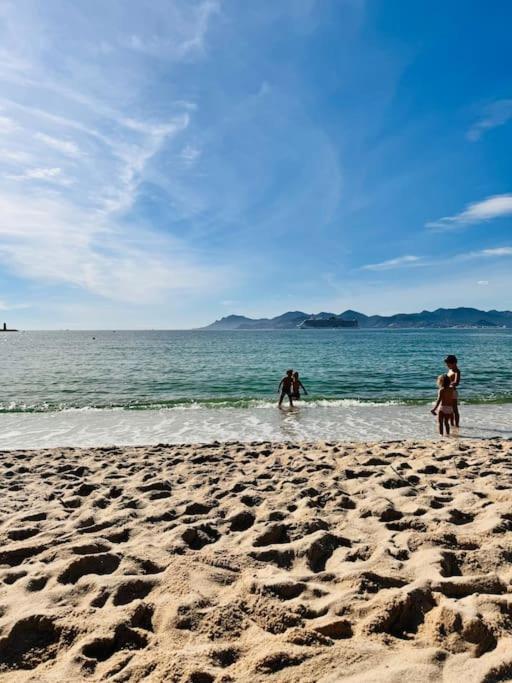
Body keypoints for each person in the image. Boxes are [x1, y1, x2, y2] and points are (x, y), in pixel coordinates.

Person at [444, 354, 461, 428]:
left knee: (454, 409)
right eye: (447, 364)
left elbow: (456, 382)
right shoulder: (450, 370)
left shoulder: (457, 371)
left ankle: (456, 425)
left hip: (452, 392)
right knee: (449, 409)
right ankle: (451, 424)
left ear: (454, 363)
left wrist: (449, 384)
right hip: (447, 391)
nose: (447, 365)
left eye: (448, 364)